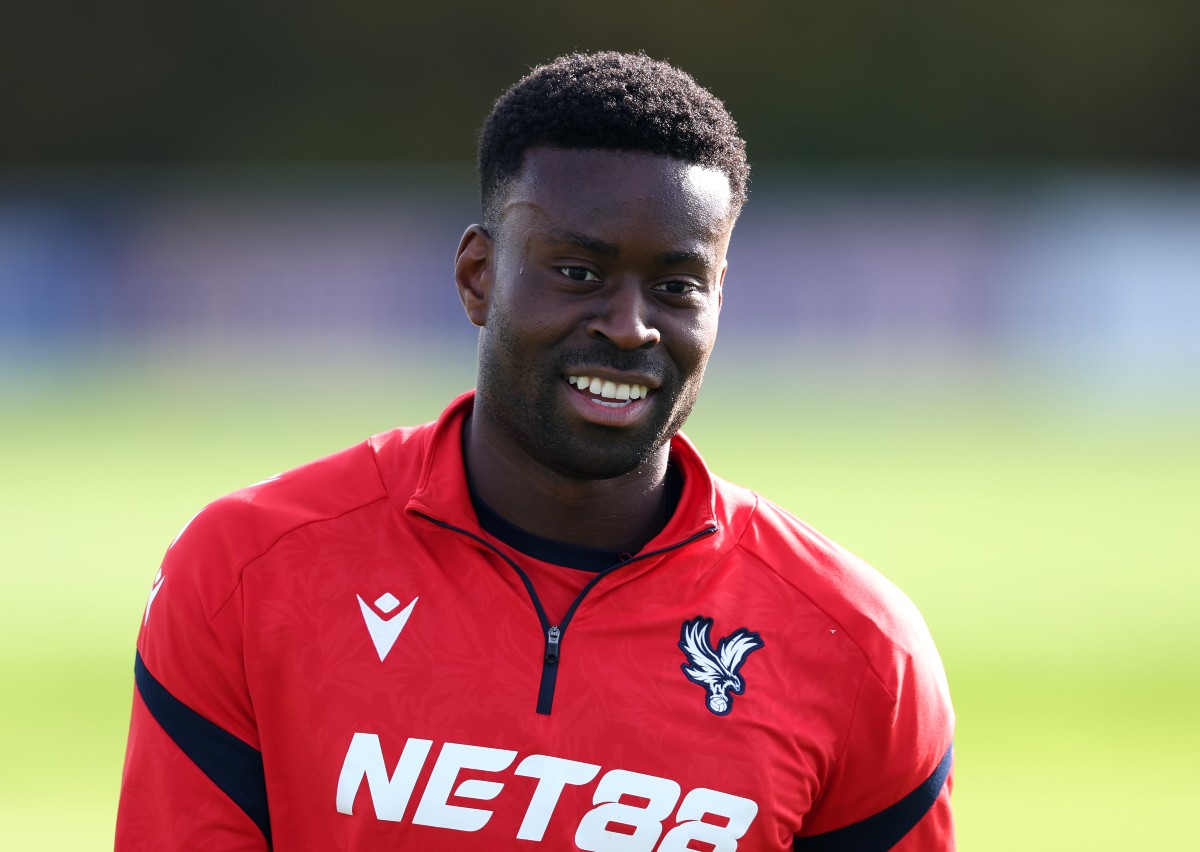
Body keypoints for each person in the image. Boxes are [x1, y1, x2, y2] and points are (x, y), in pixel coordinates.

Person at [116, 51, 955, 850]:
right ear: (478, 276)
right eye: (578, 274)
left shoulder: (861, 652)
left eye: (676, 286)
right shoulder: (248, 573)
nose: (630, 326)